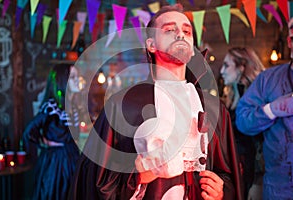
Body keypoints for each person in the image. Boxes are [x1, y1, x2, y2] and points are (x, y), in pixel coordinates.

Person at [69, 4, 243, 200]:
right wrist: (138, 177)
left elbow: (230, 175)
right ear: (151, 45)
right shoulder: (124, 105)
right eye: (169, 30)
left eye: (186, 31)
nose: (180, 34)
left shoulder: (213, 108)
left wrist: (221, 192)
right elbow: (93, 180)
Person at [236, 18, 293, 199]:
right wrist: (271, 110)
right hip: (279, 188)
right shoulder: (268, 79)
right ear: (290, 41)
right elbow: (243, 121)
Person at [23, 63, 81, 200]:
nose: (78, 80)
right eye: (73, 77)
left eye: (77, 76)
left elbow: (75, 136)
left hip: (72, 158)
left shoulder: (73, 107)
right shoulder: (51, 107)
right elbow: (29, 132)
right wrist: (44, 143)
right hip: (55, 164)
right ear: (62, 80)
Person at [220, 47, 265, 199]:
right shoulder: (235, 95)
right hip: (240, 172)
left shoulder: (257, 98)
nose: (221, 71)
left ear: (241, 67)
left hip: (252, 175)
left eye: (226, 65)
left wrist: (258, 182)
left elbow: (263, 143)